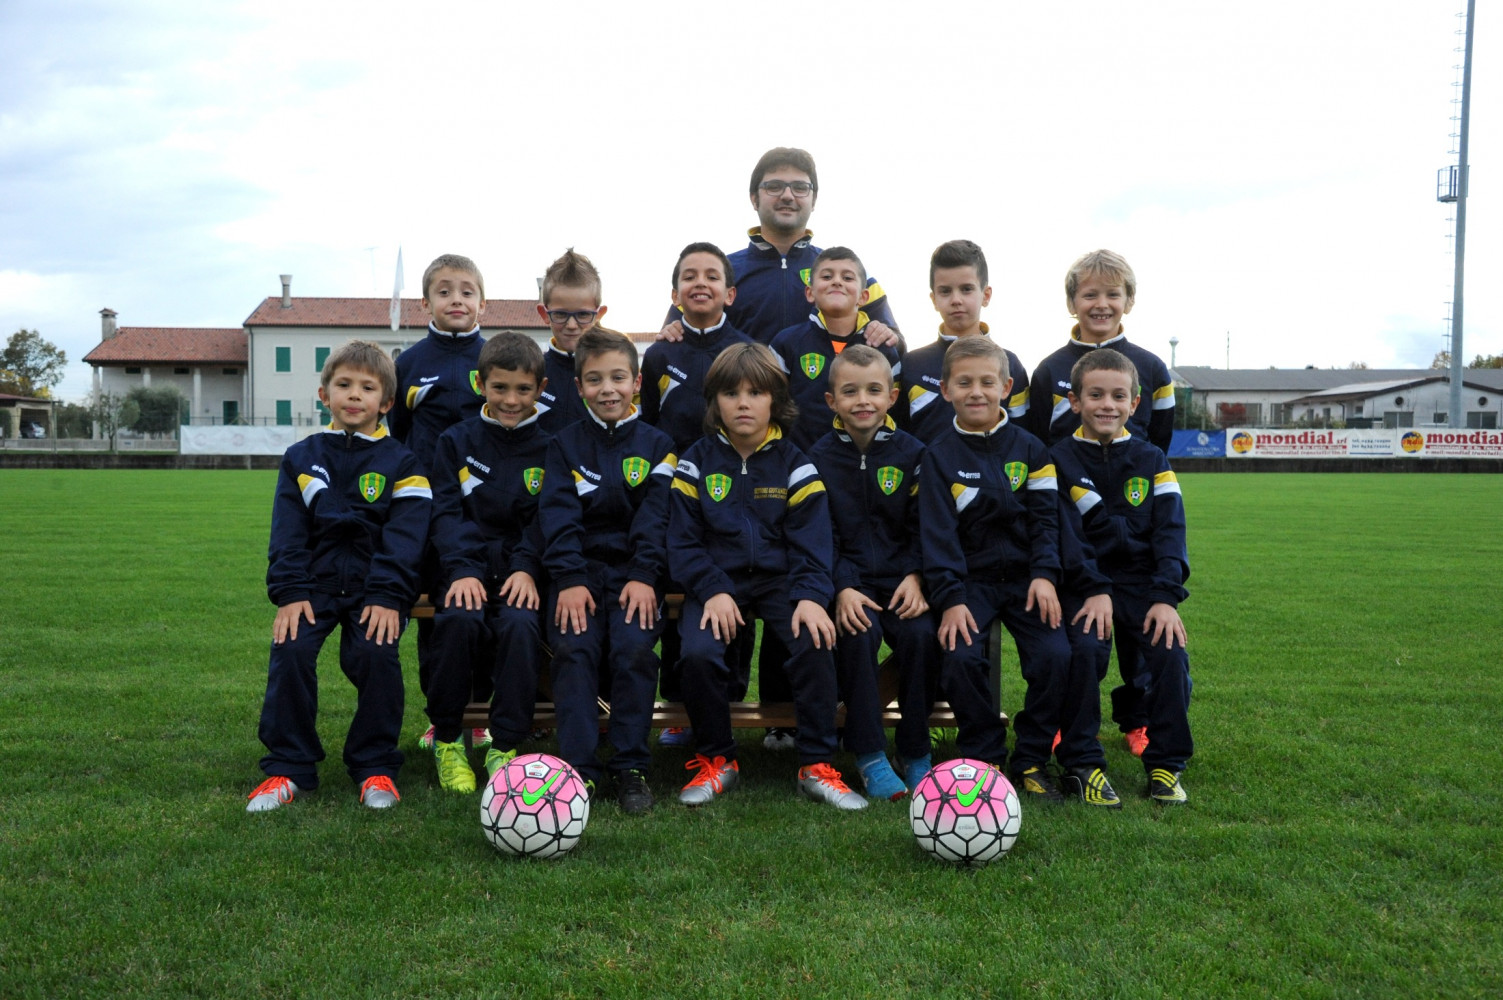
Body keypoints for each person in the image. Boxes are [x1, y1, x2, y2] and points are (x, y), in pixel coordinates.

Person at [668, 343, 866, 811]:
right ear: (714, 401)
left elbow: (814, 543)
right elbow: (682, 543)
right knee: (697, 653)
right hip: (718, 581)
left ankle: (816, 765)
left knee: (815, 640)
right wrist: (713, 589)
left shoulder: (796, 464)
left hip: (782, 581)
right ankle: (718, 759)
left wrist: (811, 596)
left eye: (755, 392)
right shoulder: (695, 463)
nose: (743, 403)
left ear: (775, 400)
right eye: (731, 393)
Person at [246, 340, 431, 812]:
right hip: (313, 587)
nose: (354, 395)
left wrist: (388, 596)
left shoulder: (404, 464)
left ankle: (375, 767)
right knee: (291, 650)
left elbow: (405, 539)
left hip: (375, 589)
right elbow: (287, 533)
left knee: (374, 654)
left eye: (367, 387)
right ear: (324, 394)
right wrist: (291, 592)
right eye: (344, 384)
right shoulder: (300, 457)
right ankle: (289, 768)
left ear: (386, 403)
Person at [919, 336, 1098, 803]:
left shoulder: (1032, 449)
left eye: (987, 382)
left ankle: (1032, 757)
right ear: (945, 390)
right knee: (959, 657)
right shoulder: (937, 456)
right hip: (970, 584)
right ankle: (985, 756)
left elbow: (1045, 520)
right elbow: (938, 537)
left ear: (1006, 387)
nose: (976, 392)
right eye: (964, 383)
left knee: (1056, 656)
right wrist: (951, 599)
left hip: (1026, 580)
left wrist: (1044, 574)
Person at [1027, 249, 1176, 756]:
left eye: (1113, 294)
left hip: (1134, 525)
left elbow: (1158, 442)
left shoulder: (1152, 367)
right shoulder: (1049, 370)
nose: (1101, 303)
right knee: (1080, 635)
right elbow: (1037, 442)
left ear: (1128, 301)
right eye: (1089, 294)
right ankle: (1068, 720)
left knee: (1140, 636)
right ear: (1072, 301)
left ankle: (1138, 720)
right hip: (1074, 528)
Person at [537, 330, 676, 814]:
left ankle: (631, 767)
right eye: (595, 380)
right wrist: (570, 578)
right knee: (573, 650)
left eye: (618, 377)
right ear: (579, 387)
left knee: (633, 651)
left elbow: (657, 517)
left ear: (636, 382)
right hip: (578, 576)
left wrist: (644, 575)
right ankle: (578, 771)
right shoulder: (563, 445)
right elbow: (558, 517)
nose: (608, 389)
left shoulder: (659, 446)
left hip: (636, 577)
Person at [1050, 348, 1193, 804]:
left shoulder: (1153, 461)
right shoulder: (1057, 460)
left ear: (1134, 404)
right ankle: (1082, 763)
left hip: (1144, 587)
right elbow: (1065, 537)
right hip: (1084, 585)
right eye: (1095, 395)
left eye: (1118, 396)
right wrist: (1093, 588)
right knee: (1085, 651)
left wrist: (1166, 598)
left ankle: (1167, 764)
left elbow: (1170, 533)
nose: (1106, 405)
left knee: (1170, 655)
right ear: (1075, 401)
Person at [422, 333, 553, 792]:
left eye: (523, 389)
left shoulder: (552, 448)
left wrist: (527, 567)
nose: (511, 400)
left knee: (520, 628)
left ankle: (506, 744)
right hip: (465, 571)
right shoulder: (454, 441)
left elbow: (547, 518)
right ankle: (448, 739)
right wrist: (462, 569)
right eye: (500, 387)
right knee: (457, 622)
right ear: (480, 384)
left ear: (540, 389)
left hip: (521, 574)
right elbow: (444, 512)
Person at [807, 345, 937, 798]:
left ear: (892, 396)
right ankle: (869, 753)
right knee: (858, 636)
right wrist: (842, 587)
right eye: (850, 391)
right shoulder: (817, 458)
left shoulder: (915, 454)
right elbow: (819, 534)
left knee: (922, 637)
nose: (862, 400)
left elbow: (927, 525)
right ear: (832, 401)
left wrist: (917, 576)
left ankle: (915, 750)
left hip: (903, 583)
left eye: (874, 390)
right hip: (850, 584)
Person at [639, 242, 753, 748]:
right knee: (678, 593)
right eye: (689, 276)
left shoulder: (748, 351)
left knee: (736, 591)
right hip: (675, 496)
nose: (700, 283)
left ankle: (730, 696)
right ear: (675, 293)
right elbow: (647, 421)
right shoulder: (660, 354)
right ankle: (679, 705)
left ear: (730, 293)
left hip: (733, 493)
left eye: (711, 275)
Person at [389, 254, 491, 752]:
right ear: (425, 302)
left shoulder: (493, 359)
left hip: (485, 510)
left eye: (467, 291)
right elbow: (399, 436)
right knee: (435, 619)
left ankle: (482, 712)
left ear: (483, 304)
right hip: (428, 514)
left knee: (484, 614)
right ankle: (439, 714)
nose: (456, 300)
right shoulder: (408, 365)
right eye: (445, 291)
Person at [660, 147, 900, 347]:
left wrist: (887, 334)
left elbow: (895, 343)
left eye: (800, 187)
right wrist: (671, 331)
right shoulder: (717, 274)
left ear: (814, 200)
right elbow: (672, 339)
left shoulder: (848, 274)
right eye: (774, 186)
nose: (787, 195)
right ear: (754, 198)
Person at [769, 246, 904, 452]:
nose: (837, 282)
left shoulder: (881, 347)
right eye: (827, 276)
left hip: (866, 461)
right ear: (810, 293)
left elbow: (896, 412)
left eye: (847, 278)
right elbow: (771, 408)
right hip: (802, 460)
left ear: (863, 297)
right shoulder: (786, 343)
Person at [897, 240, 1030, 445]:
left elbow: (1025, 440)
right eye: (945, 291)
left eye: (966, 289)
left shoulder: (1010, 364)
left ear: (986, 295)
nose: (956, 300)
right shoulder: (912, 365)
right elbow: (898, 441)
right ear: (933, 299)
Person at [535, 248, 608, 434]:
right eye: (560, 314)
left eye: (583, 314)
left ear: (599, 314)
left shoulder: (614, 374)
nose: (572, 325)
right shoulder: (531, 371)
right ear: (544, 314)